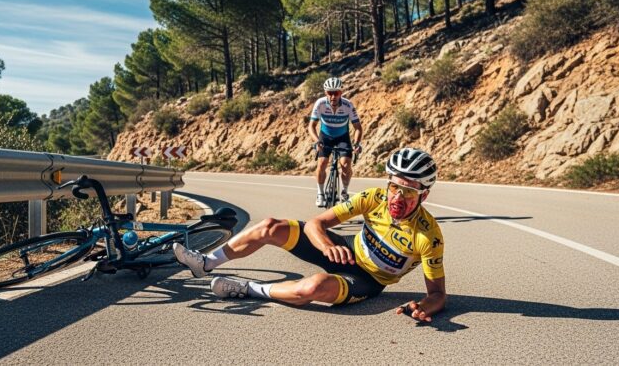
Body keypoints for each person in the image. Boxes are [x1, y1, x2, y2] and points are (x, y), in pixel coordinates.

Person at [173, 148, 445, 323]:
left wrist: (425, 307)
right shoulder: (374, 198)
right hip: (344, 249)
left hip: (368, 278)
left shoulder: (428, 236)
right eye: (394, 187)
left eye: (408, 192)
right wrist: (327, 244)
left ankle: (247, 289)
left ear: (424, 195)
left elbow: (437, 294)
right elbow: (316, 223)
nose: (397, 197)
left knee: (312, 288)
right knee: (271, 226)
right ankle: (206, 262)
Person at [309, 76, 363, 207]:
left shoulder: (348, 105)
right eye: (330, 93)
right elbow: (311, 126)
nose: (333, 96)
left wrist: (356, 144)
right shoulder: (320, 104)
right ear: (325, 93)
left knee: (345, 165)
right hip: (325, 136)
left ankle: (344, 192)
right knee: (322, 163)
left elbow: (358, 128)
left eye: (336, 93)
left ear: (341, 92)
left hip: (342, 137)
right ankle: (320, 193)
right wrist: (317, 141)